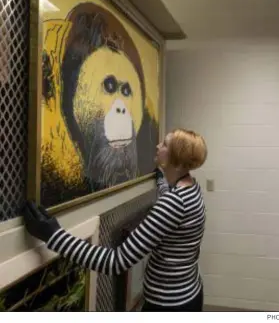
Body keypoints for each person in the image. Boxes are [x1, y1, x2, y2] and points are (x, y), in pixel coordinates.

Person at [22, 128, 208, 312]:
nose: (158, 146)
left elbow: (115, 262)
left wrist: (53, 235)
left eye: (165, 145)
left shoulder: (173, 203)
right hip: (189, 292)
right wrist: (161, 178)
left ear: (176, 163)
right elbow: (168, 196)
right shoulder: (190, 188)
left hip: (170, 306)